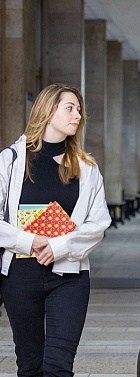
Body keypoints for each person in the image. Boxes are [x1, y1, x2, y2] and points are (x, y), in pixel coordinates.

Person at [0, 83, 111, 376]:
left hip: (69, 277)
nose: (78, 115)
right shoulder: (10, 161)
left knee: (59, 366)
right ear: (48, 111)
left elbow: (99, 223)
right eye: (69, 108)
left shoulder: (86, 168)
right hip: (19, 277)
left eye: (79, 110)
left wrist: (58, 247)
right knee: (29, 364)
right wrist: (30, 240)